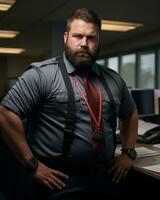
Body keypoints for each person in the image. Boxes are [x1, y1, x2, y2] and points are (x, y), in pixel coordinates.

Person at [0, 8, 138, 200]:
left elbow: (130, 113)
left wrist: (128, 152)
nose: (84, 43)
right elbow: (6, 113)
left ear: (98, 41)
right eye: (77, 36)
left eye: (91, 38)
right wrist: (31, 164)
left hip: (106, 177)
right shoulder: (42, 75)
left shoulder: (113, 80)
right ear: (65, 37)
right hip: (59, 180)